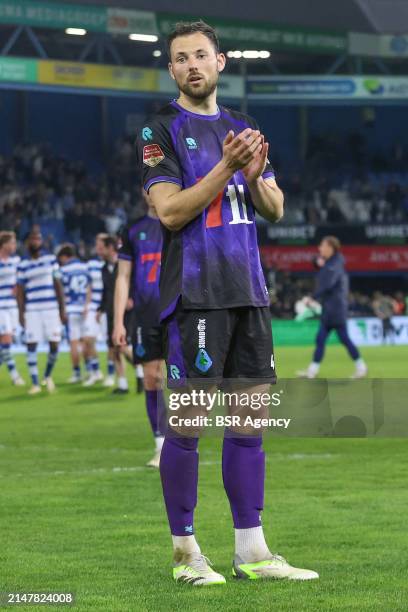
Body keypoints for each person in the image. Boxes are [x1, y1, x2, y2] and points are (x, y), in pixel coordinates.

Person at [137, 20, 317, 585]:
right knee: (187, 425)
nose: (192, 64)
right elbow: (169, 211)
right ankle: (186, 554)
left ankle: (253, 551)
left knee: (249, 424)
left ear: (220, 63)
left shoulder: (244, 127)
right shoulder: (161, 128)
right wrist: (226, 167)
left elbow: (276, 208)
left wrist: (258, 176)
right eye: (181, 58)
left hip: (249, 292)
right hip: (196, 294)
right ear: (172, 70)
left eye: (201, 55)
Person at [113, 190, 167, 468]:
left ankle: (182, 444)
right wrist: (118, 321)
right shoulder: (133, 230)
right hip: (146, 316)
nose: (152, 192)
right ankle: (161, 446)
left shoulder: (181, 220)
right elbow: (122, 277)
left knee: (187, 380)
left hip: (181, 313)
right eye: (148, 187)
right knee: (151, 378)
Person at [297, 236, 367, 379]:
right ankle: (312, 371)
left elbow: (327, 284)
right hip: (331, 309)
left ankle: (361, 367)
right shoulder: (333, 263)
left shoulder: (334, 266)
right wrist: (318, 262)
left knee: (340, 339)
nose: (319, 248)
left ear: (330, 248)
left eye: (322, 246)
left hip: (335, 310)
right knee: (323, 339)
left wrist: (312, 298)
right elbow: (318, 264)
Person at [16, 228, 66, 394]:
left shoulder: (51, 260)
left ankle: (47, 376)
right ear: (27, 242)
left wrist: (62, 309)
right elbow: (20, 292)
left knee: (55, 344)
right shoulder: (22, 265)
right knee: (31, 344)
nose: (35, 241)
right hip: (32, 310)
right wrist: (21, 313)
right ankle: (35, 383)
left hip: (51, 309)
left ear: (42, 241)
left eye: (38, 238)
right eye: (32, 239)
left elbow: (58, 286)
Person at [97, 235, 128, 394]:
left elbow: (132, 282)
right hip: (110, 313)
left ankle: (141, 374)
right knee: (115, 348)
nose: (98, 251)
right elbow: (105, 291)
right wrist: (100, 309)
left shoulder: (123, 265)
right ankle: (122, 384)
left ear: (110, 248)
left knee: (124, 348)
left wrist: (130, 298)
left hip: (126, 312)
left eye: (101, 248)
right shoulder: (104, 268)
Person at [57, 244, 92, 383]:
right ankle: (90, 371)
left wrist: (63, 309)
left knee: (73, 342)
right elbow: (90, 287)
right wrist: (87, 305)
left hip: (71, 309)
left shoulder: (63, 270)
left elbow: (61, 292)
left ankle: (77, 373)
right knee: (85, 342)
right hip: (85, 309)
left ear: (65, 256)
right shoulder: (85, 267)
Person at [0, 231, 25, 386]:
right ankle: (15, 375)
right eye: (12, 242)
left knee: (4, 343)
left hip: (13, 306)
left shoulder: (16, 261)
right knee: (6, 339)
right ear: (4, 245)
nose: (15, 245)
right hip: (0, 306)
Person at [82, 234, 106, 386]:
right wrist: (86, 304)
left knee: (114, 345)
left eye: (100, 244)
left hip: (107, 307)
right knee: (87, 340)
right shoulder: (91, 264)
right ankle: (96, 372)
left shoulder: (115, 262)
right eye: (96, 244)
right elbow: (89, 287)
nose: (97, 248)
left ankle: (112, 375)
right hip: (93, 307)